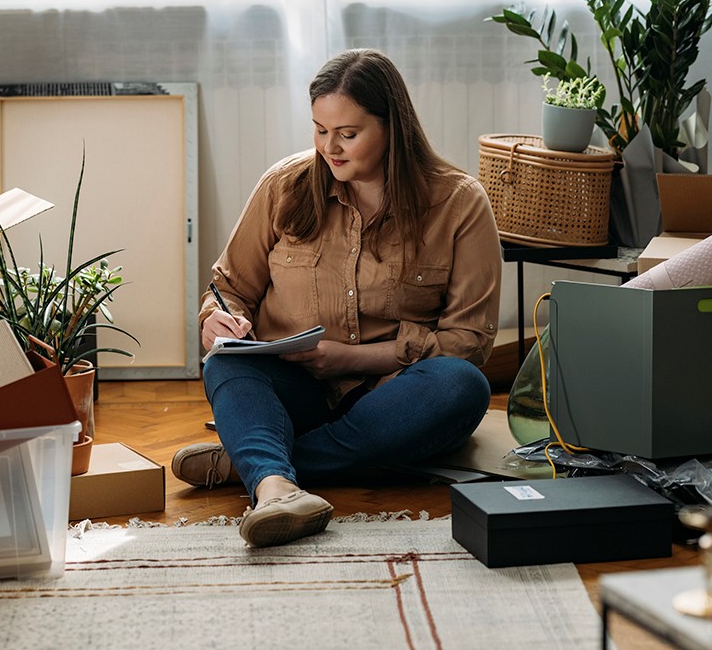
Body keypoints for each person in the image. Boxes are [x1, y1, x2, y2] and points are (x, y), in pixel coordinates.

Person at [171, 48, 502, 548]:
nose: (331, 148)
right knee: (225, 364)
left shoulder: (458, 203)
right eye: (320, 130)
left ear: (393, 126)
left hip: (393, 401)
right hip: (295, 391)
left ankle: (263, 470)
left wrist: (354, 357)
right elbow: (230, 289)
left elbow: (470, 339)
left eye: (348, 134)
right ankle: (278, 481)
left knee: (462, 385)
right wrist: (217, 321)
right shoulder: (285, 186)